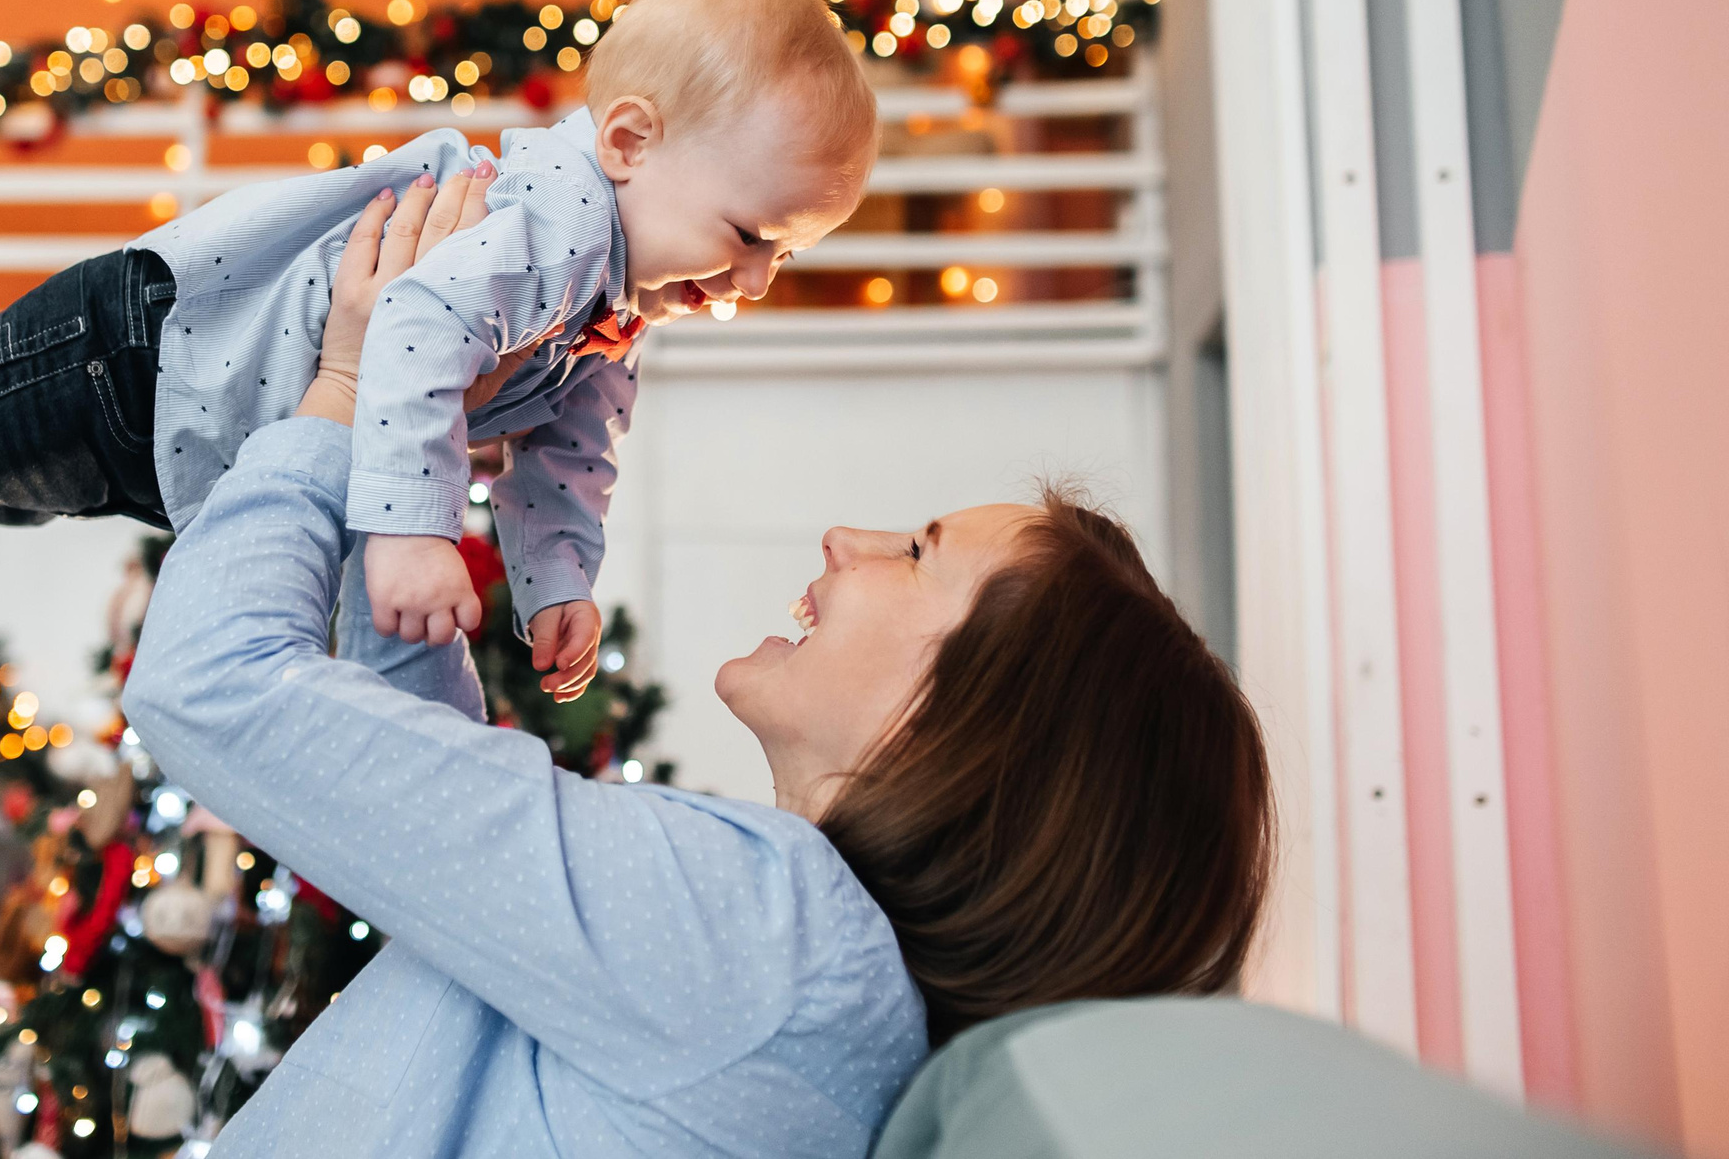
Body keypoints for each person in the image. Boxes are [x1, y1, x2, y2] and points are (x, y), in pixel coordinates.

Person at [121, 170, 1274, 1157]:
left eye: (920, 552)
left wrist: (339, 398)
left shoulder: (772, 944)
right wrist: (410, 464)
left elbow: (211, 681)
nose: (848, 538)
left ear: (978, 724)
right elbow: (430, 814)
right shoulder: (821, 1006)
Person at [0, 0, 877, 697]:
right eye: (748, 233)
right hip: (142, 353)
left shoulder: (610, 303)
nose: (752, 279)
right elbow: (409, 324)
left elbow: (571, 457)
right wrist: (413, 530)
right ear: (629, 141)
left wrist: (557, 576)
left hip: (185, 431)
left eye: (787, 254)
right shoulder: (547, 221)